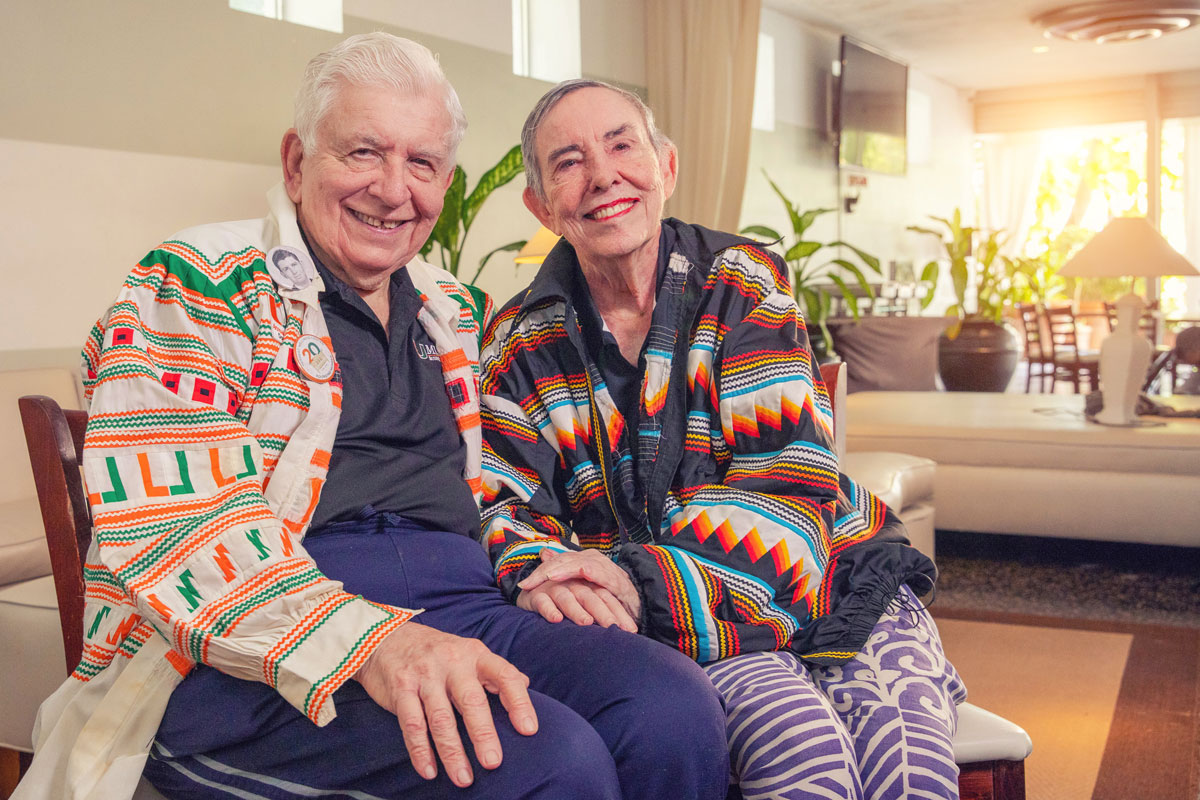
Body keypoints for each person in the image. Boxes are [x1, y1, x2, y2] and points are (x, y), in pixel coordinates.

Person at [13, 37, 730, 800]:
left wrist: (564, 562)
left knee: (670, 709)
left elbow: (548, 466)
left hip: (466, 605)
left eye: (422, 164)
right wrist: (370, 641)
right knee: (549, 760)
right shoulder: (195, 284)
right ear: (296, 162)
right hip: (238, 653)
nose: (394, 190)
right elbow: (177, 524)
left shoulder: (463, 314)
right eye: (363, 152)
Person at [479, 78, 968, 800]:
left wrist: (626, 576)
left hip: (830, 574)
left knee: (908, 765)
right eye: (569, 161)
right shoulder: (519, 343)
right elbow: (507, 508)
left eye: (622, 145)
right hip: (694, 617)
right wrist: (558, 575)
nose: (604, 174)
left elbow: (783, 486)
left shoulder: (741, 284)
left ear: (665, 167)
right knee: (803, 759)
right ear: (542, 205)